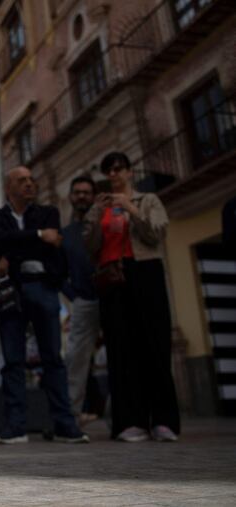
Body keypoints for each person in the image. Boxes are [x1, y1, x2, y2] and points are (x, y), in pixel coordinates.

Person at [0, 166, 88, 444]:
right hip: (11, 293)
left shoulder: (47, 213)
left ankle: (65, 424)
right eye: (22, 180)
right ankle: (15, 426)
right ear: (9, 187)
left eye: (32, 179)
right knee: (13, 361)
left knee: (53, 359)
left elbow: (16, 246)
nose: (30, 184)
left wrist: (12, 254)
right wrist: (40, 237)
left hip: (43, 288)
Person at [83, 152, 180, 442]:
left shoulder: (147, 200)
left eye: (118, 169)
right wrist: (97, 214)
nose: (113, 174)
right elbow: (88, 246)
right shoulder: (99, 207)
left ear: (128, 171)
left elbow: (157, 234)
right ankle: (129, 422)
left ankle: (164, 421)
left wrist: (131, 209)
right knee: (121, 349)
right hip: (112, 278)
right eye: (108, 170)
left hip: (144, 271)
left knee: (155, 344)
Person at [61, 176, 101, 424]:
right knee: (76, 358)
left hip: (111, 297)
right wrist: (73, 296)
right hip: (83, 301)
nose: (82, 196)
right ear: (71, 197)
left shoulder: (103, 225)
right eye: (77, 192)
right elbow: (59, 271)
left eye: (87, 192)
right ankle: (71, 415)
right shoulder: (66, 234)